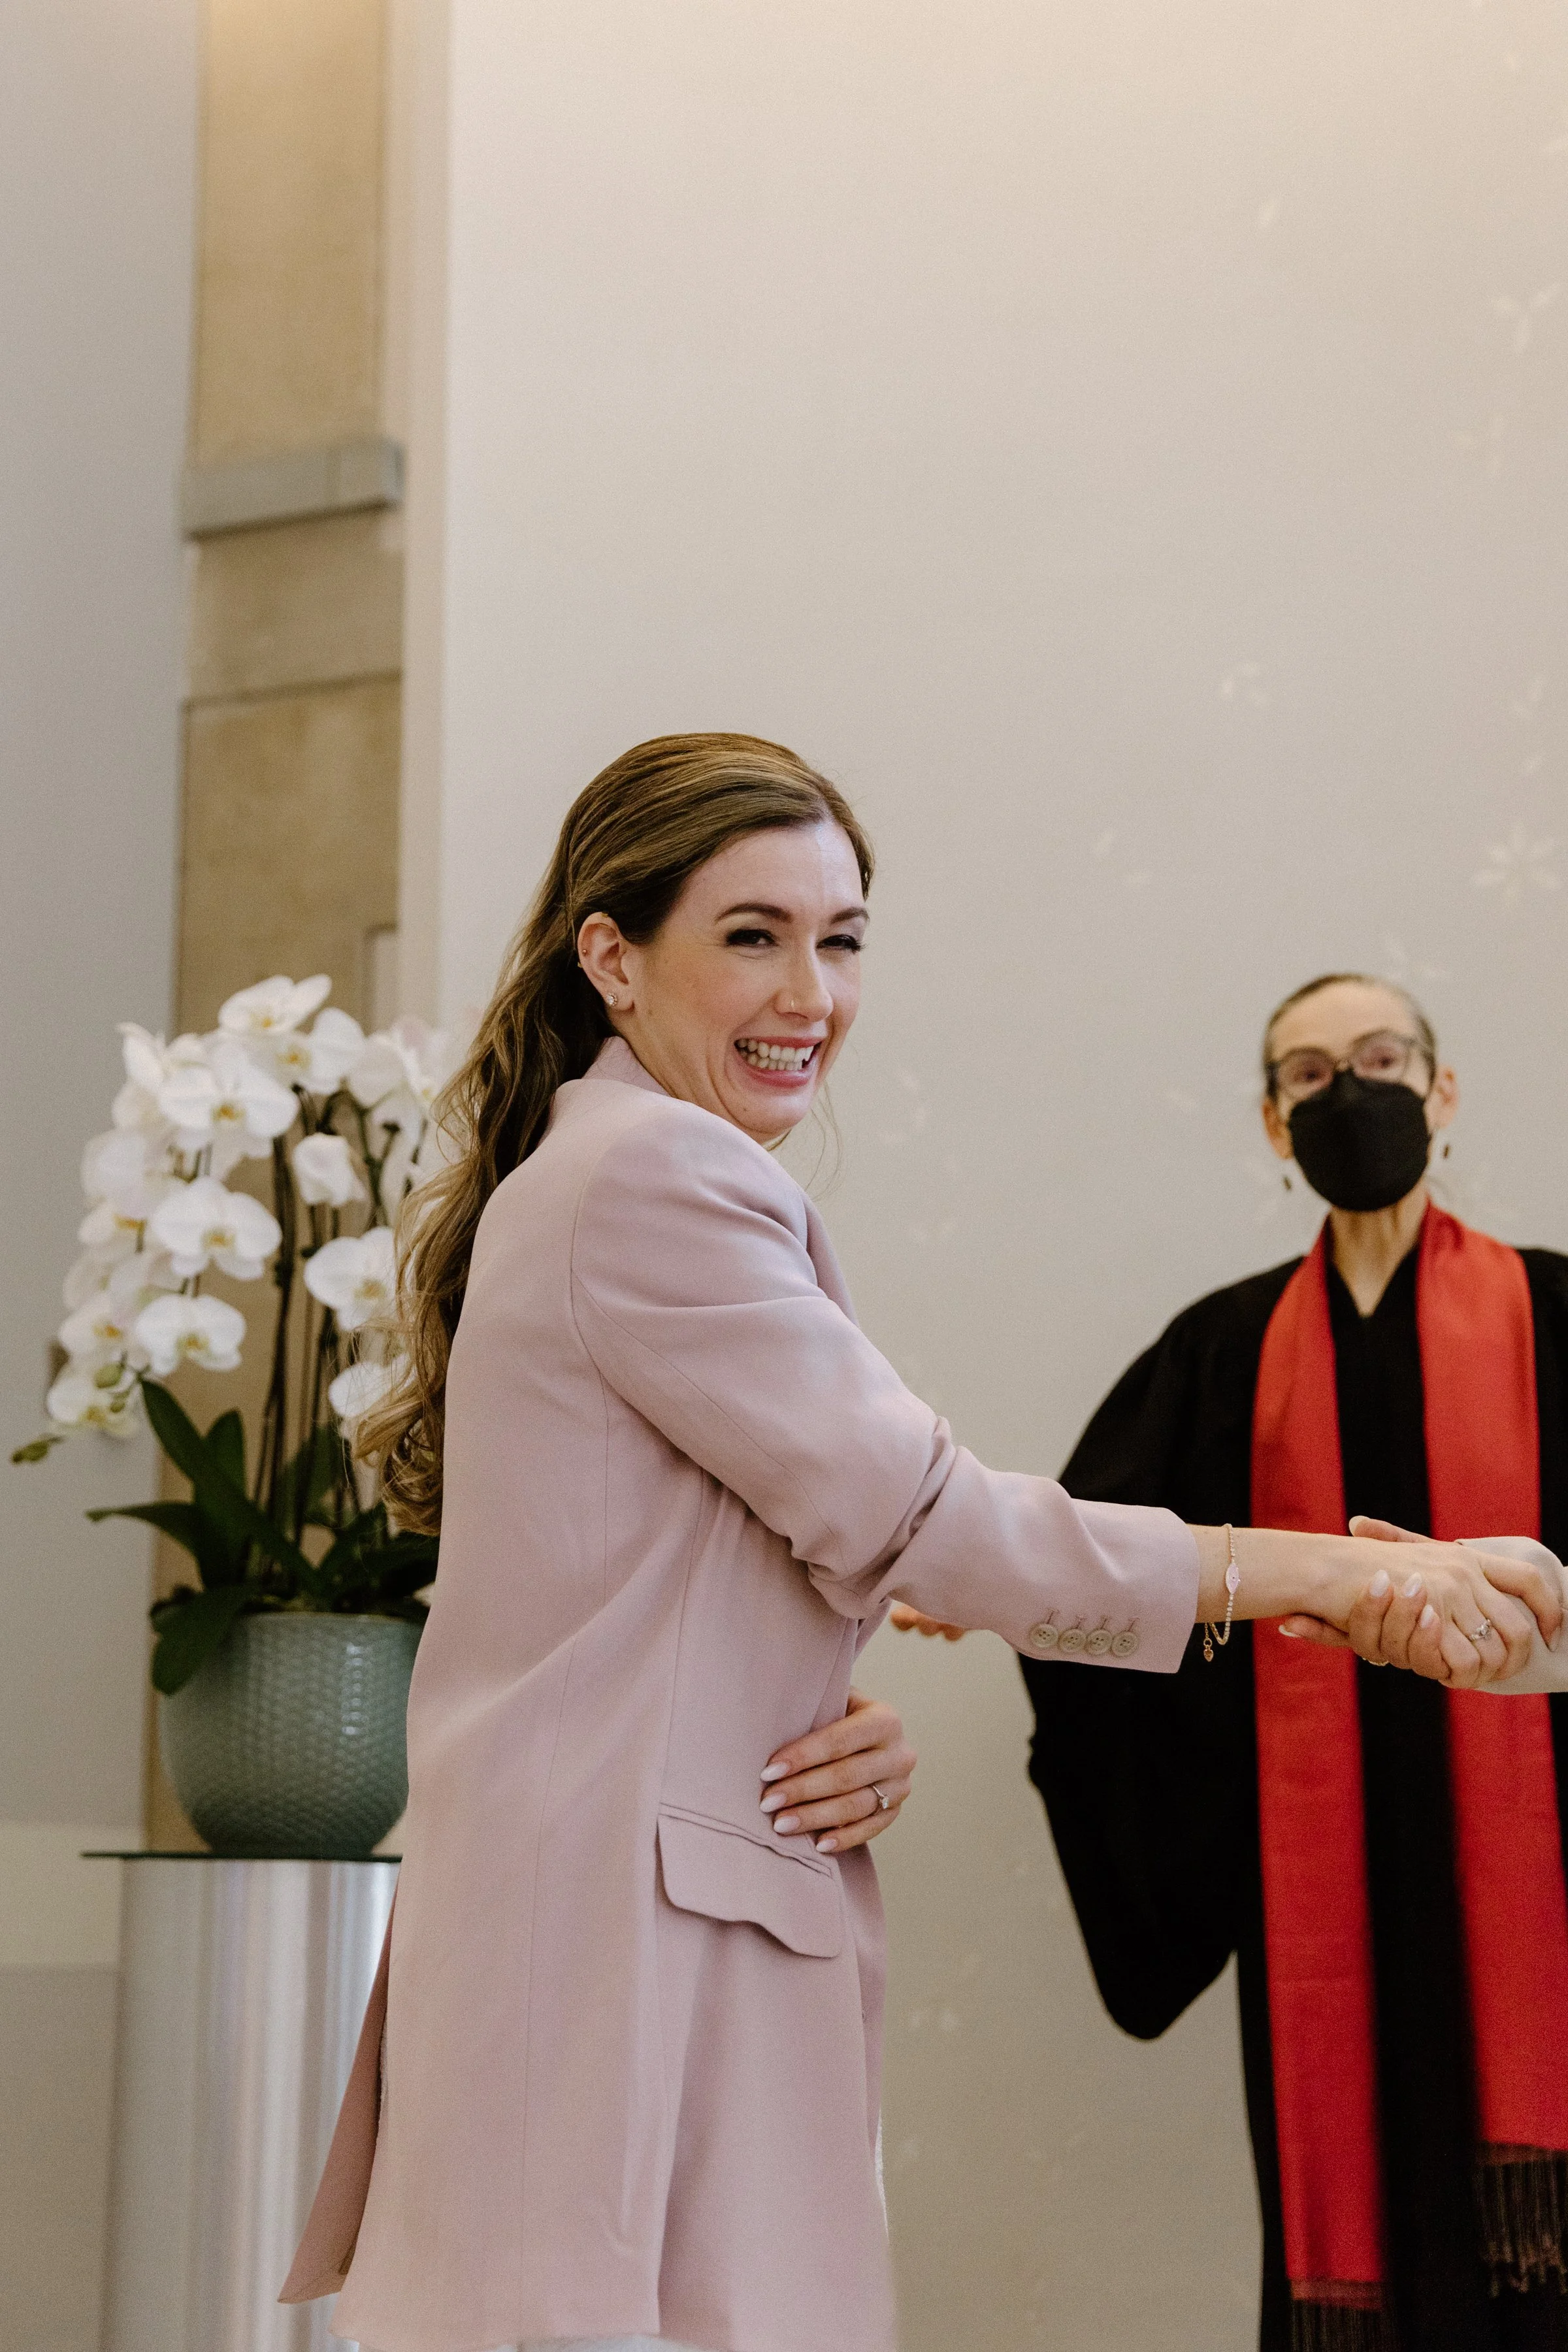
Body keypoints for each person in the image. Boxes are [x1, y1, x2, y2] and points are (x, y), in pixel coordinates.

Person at [280, 759, 1550, 2352]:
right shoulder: (657, 1173)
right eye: (753, 935)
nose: (810, 994)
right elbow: (932, 1524)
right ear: (612, 957)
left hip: (624, 1927)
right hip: (612, 1964)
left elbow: (669, 1589)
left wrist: (815, 1721)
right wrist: (1342, 1576)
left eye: (843, 940)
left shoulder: (608, 1165)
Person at [1004, 972, 1568, 2352]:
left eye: (1380, 1059)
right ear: (1273, 1123)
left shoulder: (1557, 1312)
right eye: (1310, 1076)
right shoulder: (1223, 1351)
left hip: (1544, 1861)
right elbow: (1101, 1559)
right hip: (1320, 1870)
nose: (1349, 1094)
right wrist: (999, 1593)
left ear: (1441, 1088)